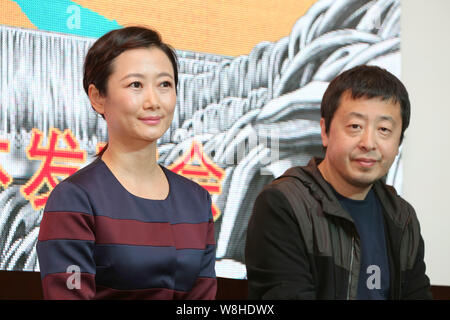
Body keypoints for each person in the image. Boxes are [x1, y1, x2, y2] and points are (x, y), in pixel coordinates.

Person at [36, 26, 216, 300]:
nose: (153, 101)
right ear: (98, 97)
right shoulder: (74, 200)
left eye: (164, 84)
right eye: (136, 85)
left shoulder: (196, 200)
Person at [245, 65, 432, 300]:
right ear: (325, 131)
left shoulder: (401, 217)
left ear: (398, 142)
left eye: (384, 129)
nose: (368, 143)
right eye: (355, 126)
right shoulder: (283, 204)